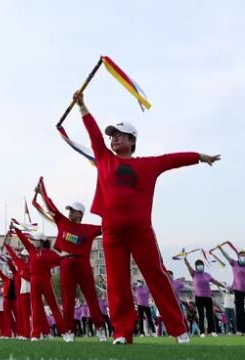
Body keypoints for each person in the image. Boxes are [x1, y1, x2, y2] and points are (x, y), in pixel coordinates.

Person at [70, 92, 220, 344]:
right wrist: (83, 106)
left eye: (119, 135)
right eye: (112, 136)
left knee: (157, 276)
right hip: (112, 232)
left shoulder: (148, 165)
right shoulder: (105, 159)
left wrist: (199, 157)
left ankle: (179, 330)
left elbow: (172, 160)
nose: (113, 139)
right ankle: (121, 333)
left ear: (132, 140)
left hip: (140, 230)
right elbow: (94, 135)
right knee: (117, 284)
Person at [35, 178, 107, 342]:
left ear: (81, 214)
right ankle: (69, 332)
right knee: (67, 299)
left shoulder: (88, 229)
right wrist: (42, 191)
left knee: (91, 297)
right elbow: (51, 206)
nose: (70, 213)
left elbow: (108, 226)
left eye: (73, 211)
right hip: (66, 263)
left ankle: (101, 329)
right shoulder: (62, 222)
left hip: (83, 264)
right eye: (69, 210)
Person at [12, 222, 65, 340]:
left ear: (41, 241)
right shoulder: (31, 250)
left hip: (45, 280)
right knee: (35, 307)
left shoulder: (49, 253)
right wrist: (16, 229)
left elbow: (61, 261)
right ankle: (35, 333)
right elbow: (24, 240)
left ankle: (64, 331)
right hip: (34, 280)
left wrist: (67, 256)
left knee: (53, 306)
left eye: (35, 240)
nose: (32, 242)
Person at [183, 256, 226, 337]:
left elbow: (215, 281)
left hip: (208, 297)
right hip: (198, 297)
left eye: (201, 264)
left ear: (203, 266)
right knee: (201, 315)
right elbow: (188, 266)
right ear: (196, 266)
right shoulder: (194, 273)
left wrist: (222, 285)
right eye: (198, 264)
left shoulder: (207, 275)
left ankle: (212, 331)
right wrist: (185, 258)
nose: (200, 266)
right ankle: (202, 332)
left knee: (210, 314)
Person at [217, 246, 245, 334]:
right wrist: (220, 249)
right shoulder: (234, 263)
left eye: (244, 255)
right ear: (239, 257)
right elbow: (227, 256)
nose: (243, 257)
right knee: (239, 310)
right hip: (238, 290)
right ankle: (240, 330)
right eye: (241, 255)